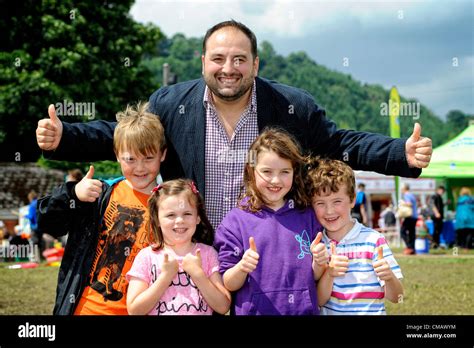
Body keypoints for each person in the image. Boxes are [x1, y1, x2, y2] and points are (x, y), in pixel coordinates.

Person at [36, 20, 433, 230]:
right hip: (194, 247)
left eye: (240, 59)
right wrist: (64, 137)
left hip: (266, 247)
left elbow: (341, 142)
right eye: (219, 58)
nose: (229, 69)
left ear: (256, 65)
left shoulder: (291, 105)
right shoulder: (171, 103)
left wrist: (400, 152)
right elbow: (124, 137)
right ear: (203, 62)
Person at [37, 102, 167, 315]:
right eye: (130, 159)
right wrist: (73, 195)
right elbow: (47, 222)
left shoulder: (168, 206)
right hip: (84, 309)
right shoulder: (98, 195)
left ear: (163, 154)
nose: (140, 167)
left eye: (149, 158)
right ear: (117, 154)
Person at [214, 128, 325, 315]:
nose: (275, 180)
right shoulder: (234, 222)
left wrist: (320, 263)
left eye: (284, 172)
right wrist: (242, 267)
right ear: (251, 171)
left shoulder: (308, 216)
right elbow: (228, 283)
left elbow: (314, 276)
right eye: (267, 171)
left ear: (294, 172)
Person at [307, 158, 403, 315]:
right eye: (320, 203)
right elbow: (318, 301)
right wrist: (329, 273)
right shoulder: (318, 246)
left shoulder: (373, 241)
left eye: (337, 201)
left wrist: (389, 277)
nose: (329, 211)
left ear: (352, 199)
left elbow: (397, 297)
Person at [126, 179, 230, 315]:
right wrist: (165, 277)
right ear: (157, 219)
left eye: (187, 214)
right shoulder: (147, 256)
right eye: (170, 215)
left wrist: (198, 274)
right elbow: (134, 310)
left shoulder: (208, 253)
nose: (180, 220)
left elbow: (223, 307)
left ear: (198, 217)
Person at [399, 184, 418, 255]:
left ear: (404, 189)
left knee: (402, 231)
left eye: (401, 189)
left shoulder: (406, 195)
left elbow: (409, 204)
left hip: (410, 216)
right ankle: (412, 249)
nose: (401, 190)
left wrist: (403, 203)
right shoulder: (412, 195)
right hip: (415, 216)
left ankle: (409, 247)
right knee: (411, 233)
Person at [25, 190, 42, 257]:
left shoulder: (31, 205)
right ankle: (41, 257)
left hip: (34, 226)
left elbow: (31, 216)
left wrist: (25, 216)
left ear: (30, 198)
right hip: (40, 225)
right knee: (40, 242)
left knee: (34, 242)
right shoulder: (39, 203)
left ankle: (36, 258)